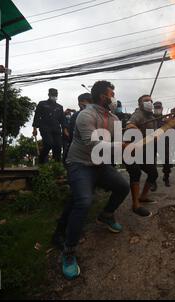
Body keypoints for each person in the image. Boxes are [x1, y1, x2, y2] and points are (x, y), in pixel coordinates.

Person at [56, 81, 130, 280]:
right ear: (102, 97)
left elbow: (117, 142)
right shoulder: (86, 115)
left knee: (123, 186)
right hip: (80, 164)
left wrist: (128, 144)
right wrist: (119, 145)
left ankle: (106, 215)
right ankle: (69, 252)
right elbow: (92, 143)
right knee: (83, 201)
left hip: (100, 165)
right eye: (111, 94)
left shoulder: (114, 118)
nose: (114, 98)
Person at [125, 94, 159, 217]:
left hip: (144, 151)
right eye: (146, 101)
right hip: (131, 150)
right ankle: (135, 205)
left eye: (150, 100)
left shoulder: (153, 117)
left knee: (153, 173)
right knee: (135, 173)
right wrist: (136, 129)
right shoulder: (138, 114)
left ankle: (143, 196)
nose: (149, 102)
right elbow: (129, 124)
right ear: (140, 104)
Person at [32, 88, 65, 164]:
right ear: (49, 95)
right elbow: (36, 116)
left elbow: (62, 120)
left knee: (58, 147)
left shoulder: (59, 107)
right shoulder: (42, 104)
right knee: (49, 144)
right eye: (52, 95)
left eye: (55, 95)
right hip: (45, 128)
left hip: (56, 129)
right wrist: (34, 129)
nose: (54, 96)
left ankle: (57, 165)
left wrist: (65, 129)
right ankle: (42, 158)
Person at [153, 101, 171, 187]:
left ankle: (166, 177)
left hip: (164, 142)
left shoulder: (165, 119)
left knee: (166, 161)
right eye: (156, 108)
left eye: (159, 107)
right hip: (152, 143)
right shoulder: (150, 118)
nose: (157, 109)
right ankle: (153, 181)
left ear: (162, 108)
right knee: (151, 162)